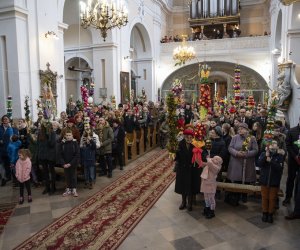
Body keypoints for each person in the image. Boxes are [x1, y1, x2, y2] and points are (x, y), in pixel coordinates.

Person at [227, 123, 258, 205]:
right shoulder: (235, 137)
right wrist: (237, 153)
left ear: (246, 130)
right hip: (236, 162)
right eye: (239, 129)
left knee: (246, 180)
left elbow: (255, 150)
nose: (240, 130)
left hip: (247, 163)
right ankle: (235, 198)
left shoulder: (251, 138)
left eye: (242, 128)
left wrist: (246, 154)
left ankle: (244, 195)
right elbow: (230, 148)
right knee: (236, 181)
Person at [258, 140, 285, 223]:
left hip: (274, 181)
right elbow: (259, 164)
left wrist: (271, 161)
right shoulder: (263, 154)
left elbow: (279, 168)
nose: (273, 145)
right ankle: (264, 213)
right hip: (264, 180)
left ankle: (270, 214)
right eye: (271, 143)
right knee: (264, 198)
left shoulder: (279, 156)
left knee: (272, 198)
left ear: (277, 146)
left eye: (275, 143)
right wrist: (265, 157)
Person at [174, 129, 200, 211]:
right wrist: (173, 154)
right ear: (184, 137)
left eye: (190, 137)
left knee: (190, 186)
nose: (188, 138)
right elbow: (177, 157)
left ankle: (190, 203)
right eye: (187, 137)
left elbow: (199, 156)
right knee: (183, 186)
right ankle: (183, 202)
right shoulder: (179, 144)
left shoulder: (195, 145)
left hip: (192, 169)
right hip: (182, 168)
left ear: (192, 137)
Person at [283, 117, 300, 206]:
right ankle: (288, 197)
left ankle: (297, 198)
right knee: (291, 179)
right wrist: (295, 156)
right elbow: (288, 145)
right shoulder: (292, 131)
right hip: (293, 160)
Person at [59, 131, 80, 197]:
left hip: (73, 163)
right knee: (67, 177)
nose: (68, 136)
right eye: (67, 135)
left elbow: (77, 154)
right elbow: (60, 155)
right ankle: (68, 189)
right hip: (65, 164)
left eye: (69, 135)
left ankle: (74, 189)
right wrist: (63, 163)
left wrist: (70, 163)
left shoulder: (75, 143)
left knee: (73, 176)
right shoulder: (63, 144)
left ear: (72, 136)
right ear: (65, 136)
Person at [0, 115, 14, 185]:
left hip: (8, 149)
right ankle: (3, 178)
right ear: (2, 121)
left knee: (9, 164)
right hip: (1, 149)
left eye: (6, 119)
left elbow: (13, 138)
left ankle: (9, 177)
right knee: (2, 164)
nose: (5, 120)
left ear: (9, 120)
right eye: (4, 119)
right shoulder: (0, 128)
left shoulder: (11, 129)